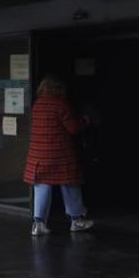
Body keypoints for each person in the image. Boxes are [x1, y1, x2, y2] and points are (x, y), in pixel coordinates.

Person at [24, 74, 95, 236]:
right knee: (70, 184)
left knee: (42, 187)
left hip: (39, 156)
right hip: (60, 155)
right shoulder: (61, 104)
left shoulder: (37, 105)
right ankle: (76, 220)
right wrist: (85, 120)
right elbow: (73, 128)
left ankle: (39, 224)